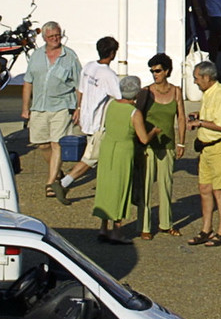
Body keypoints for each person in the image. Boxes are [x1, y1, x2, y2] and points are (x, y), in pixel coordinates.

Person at [50, 35, 120, 203]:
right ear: (112, 53)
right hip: (98, 124)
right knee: (91, 158)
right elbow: (120, 98)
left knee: (101, 155)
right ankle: (64, 183)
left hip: (87, 120)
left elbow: (80, 90)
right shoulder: (109, 75)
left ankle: (105, 183)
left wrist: (79, 109)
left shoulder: (89, 67)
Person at [23, 21, 82, 194]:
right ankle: (56, 172)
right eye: (51, 37)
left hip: (62, 106)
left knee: (57, 143)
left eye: (58, 35)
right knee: (42, 144)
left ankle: (51, 183)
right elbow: (28, 82)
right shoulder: (36, 56)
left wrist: (78, 108)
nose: (55, 39)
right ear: (44, 38)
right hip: (39, 106)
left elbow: (80, 84)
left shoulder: (70, 56)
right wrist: (25, 108)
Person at [92, 75, 152, 245]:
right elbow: (144, 139)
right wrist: (154, 131)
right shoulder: (134, 113)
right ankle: (116, 231)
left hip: (108, 147)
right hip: (123, 151)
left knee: (106, 187)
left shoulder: (111, 105)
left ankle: (103, 227)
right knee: (121, 189)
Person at [187, 60, 221, 246]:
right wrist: (199, 116)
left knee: (220, 191)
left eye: (197, 78)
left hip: (219, 147)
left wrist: (199, 123)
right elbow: (213, 117)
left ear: (207, 77)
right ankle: (206, 228)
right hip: (206, 148)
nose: (195, 82)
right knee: (205, 189)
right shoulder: (208, 93)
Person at [137, 52, 187, 238]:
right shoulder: (146, 91)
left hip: (168, 144)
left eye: (157, 70)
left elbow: (181, 117)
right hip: (149, 145)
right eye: (152, 71)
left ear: (166, 71)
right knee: (146, 185)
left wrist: (181, 141)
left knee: (166, 185)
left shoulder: (176, 91)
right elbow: (137, 116)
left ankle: (166, 223)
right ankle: (145, 226)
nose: (155, 74)